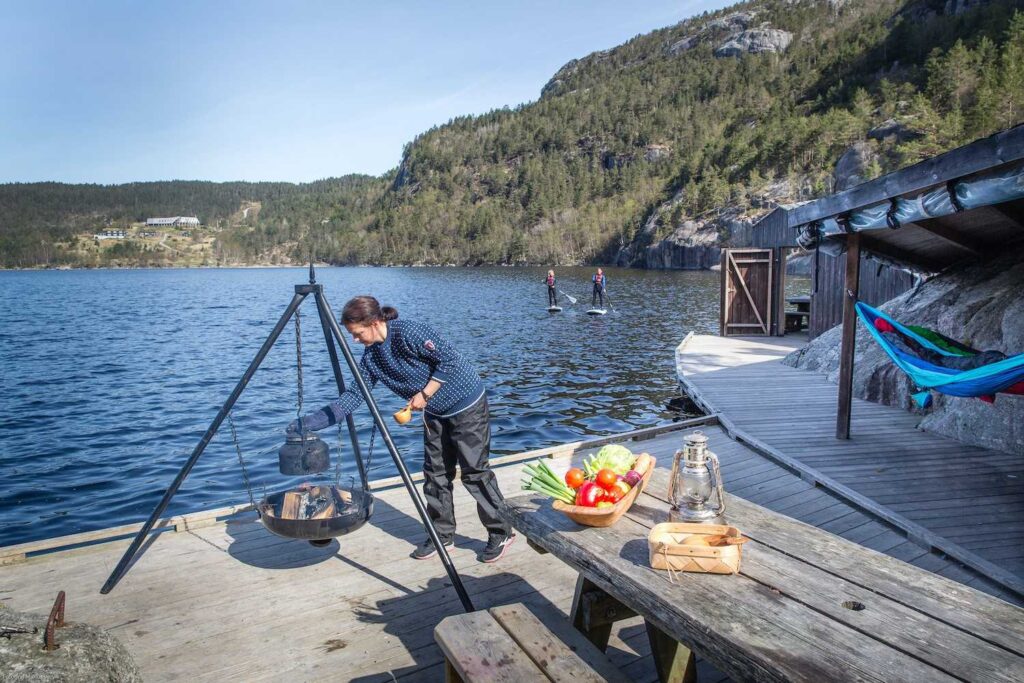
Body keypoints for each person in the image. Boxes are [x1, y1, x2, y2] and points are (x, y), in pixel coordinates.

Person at [287, 295, 515, 563]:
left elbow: (450, 360)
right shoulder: (372, 359)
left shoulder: (409, 332)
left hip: (466, 403)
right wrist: (310, 423)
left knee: (474, 472)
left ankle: (501, 532)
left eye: (357, 334)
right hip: (435, 413)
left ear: (374, 323)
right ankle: (442, 535)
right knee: (435, 474)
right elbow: (353, 397)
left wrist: (425, 394)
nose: (355, 340)